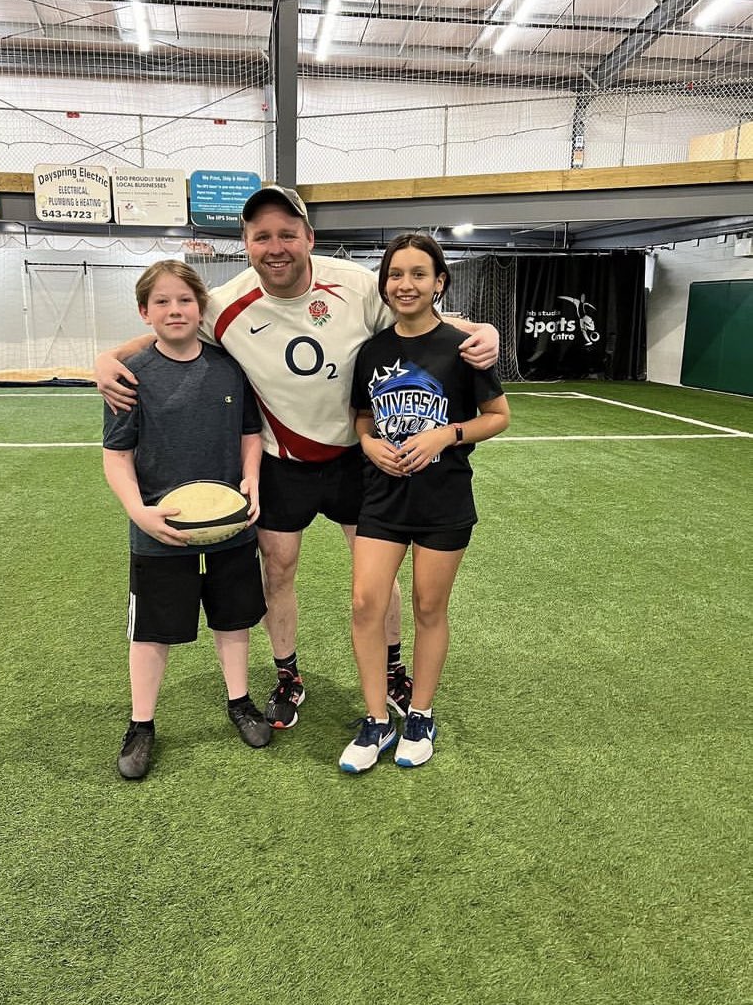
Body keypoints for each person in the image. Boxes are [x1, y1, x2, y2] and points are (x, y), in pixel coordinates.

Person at [96, 186, 500, 732]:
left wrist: (484, 331)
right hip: (281, 462)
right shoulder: (226, 303)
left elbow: (425, 317)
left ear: (310, 238)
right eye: (262, 236)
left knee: (376, 575)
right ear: (246, 244)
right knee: (278, 571)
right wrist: (107, 357)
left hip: (361, 457)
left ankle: (394, 667)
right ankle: (287, 675)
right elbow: (171, 325)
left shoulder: (358, 286)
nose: (276, 246)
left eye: (288, 234)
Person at [339, 233, 510, 773]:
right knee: (367, 603)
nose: (405, 284)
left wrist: (447, 435)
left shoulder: (464, 346)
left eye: (418, 274)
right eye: (395, 274)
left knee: (428, 608)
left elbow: (499, 415)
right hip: (383, 499)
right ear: (384, 283)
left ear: (439, 282)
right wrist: (368, 445)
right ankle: (375, 721)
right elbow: (362, 420)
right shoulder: (372, 351)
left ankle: (420, 714)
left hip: (444, 501)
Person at [103, 260, 269, 780]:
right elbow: (117, 456)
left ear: (201, 310)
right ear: (143, 312)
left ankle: (239, 701)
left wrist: (251, 479)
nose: (175, 310)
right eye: (162, 302)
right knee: (152, 630)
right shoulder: (129, 376)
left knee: (233, 616)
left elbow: (249, 434)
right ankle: (141, 725)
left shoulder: (229, 367)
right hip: (160, 527)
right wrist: (139, 513)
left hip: (227, 524)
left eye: (185, 301)